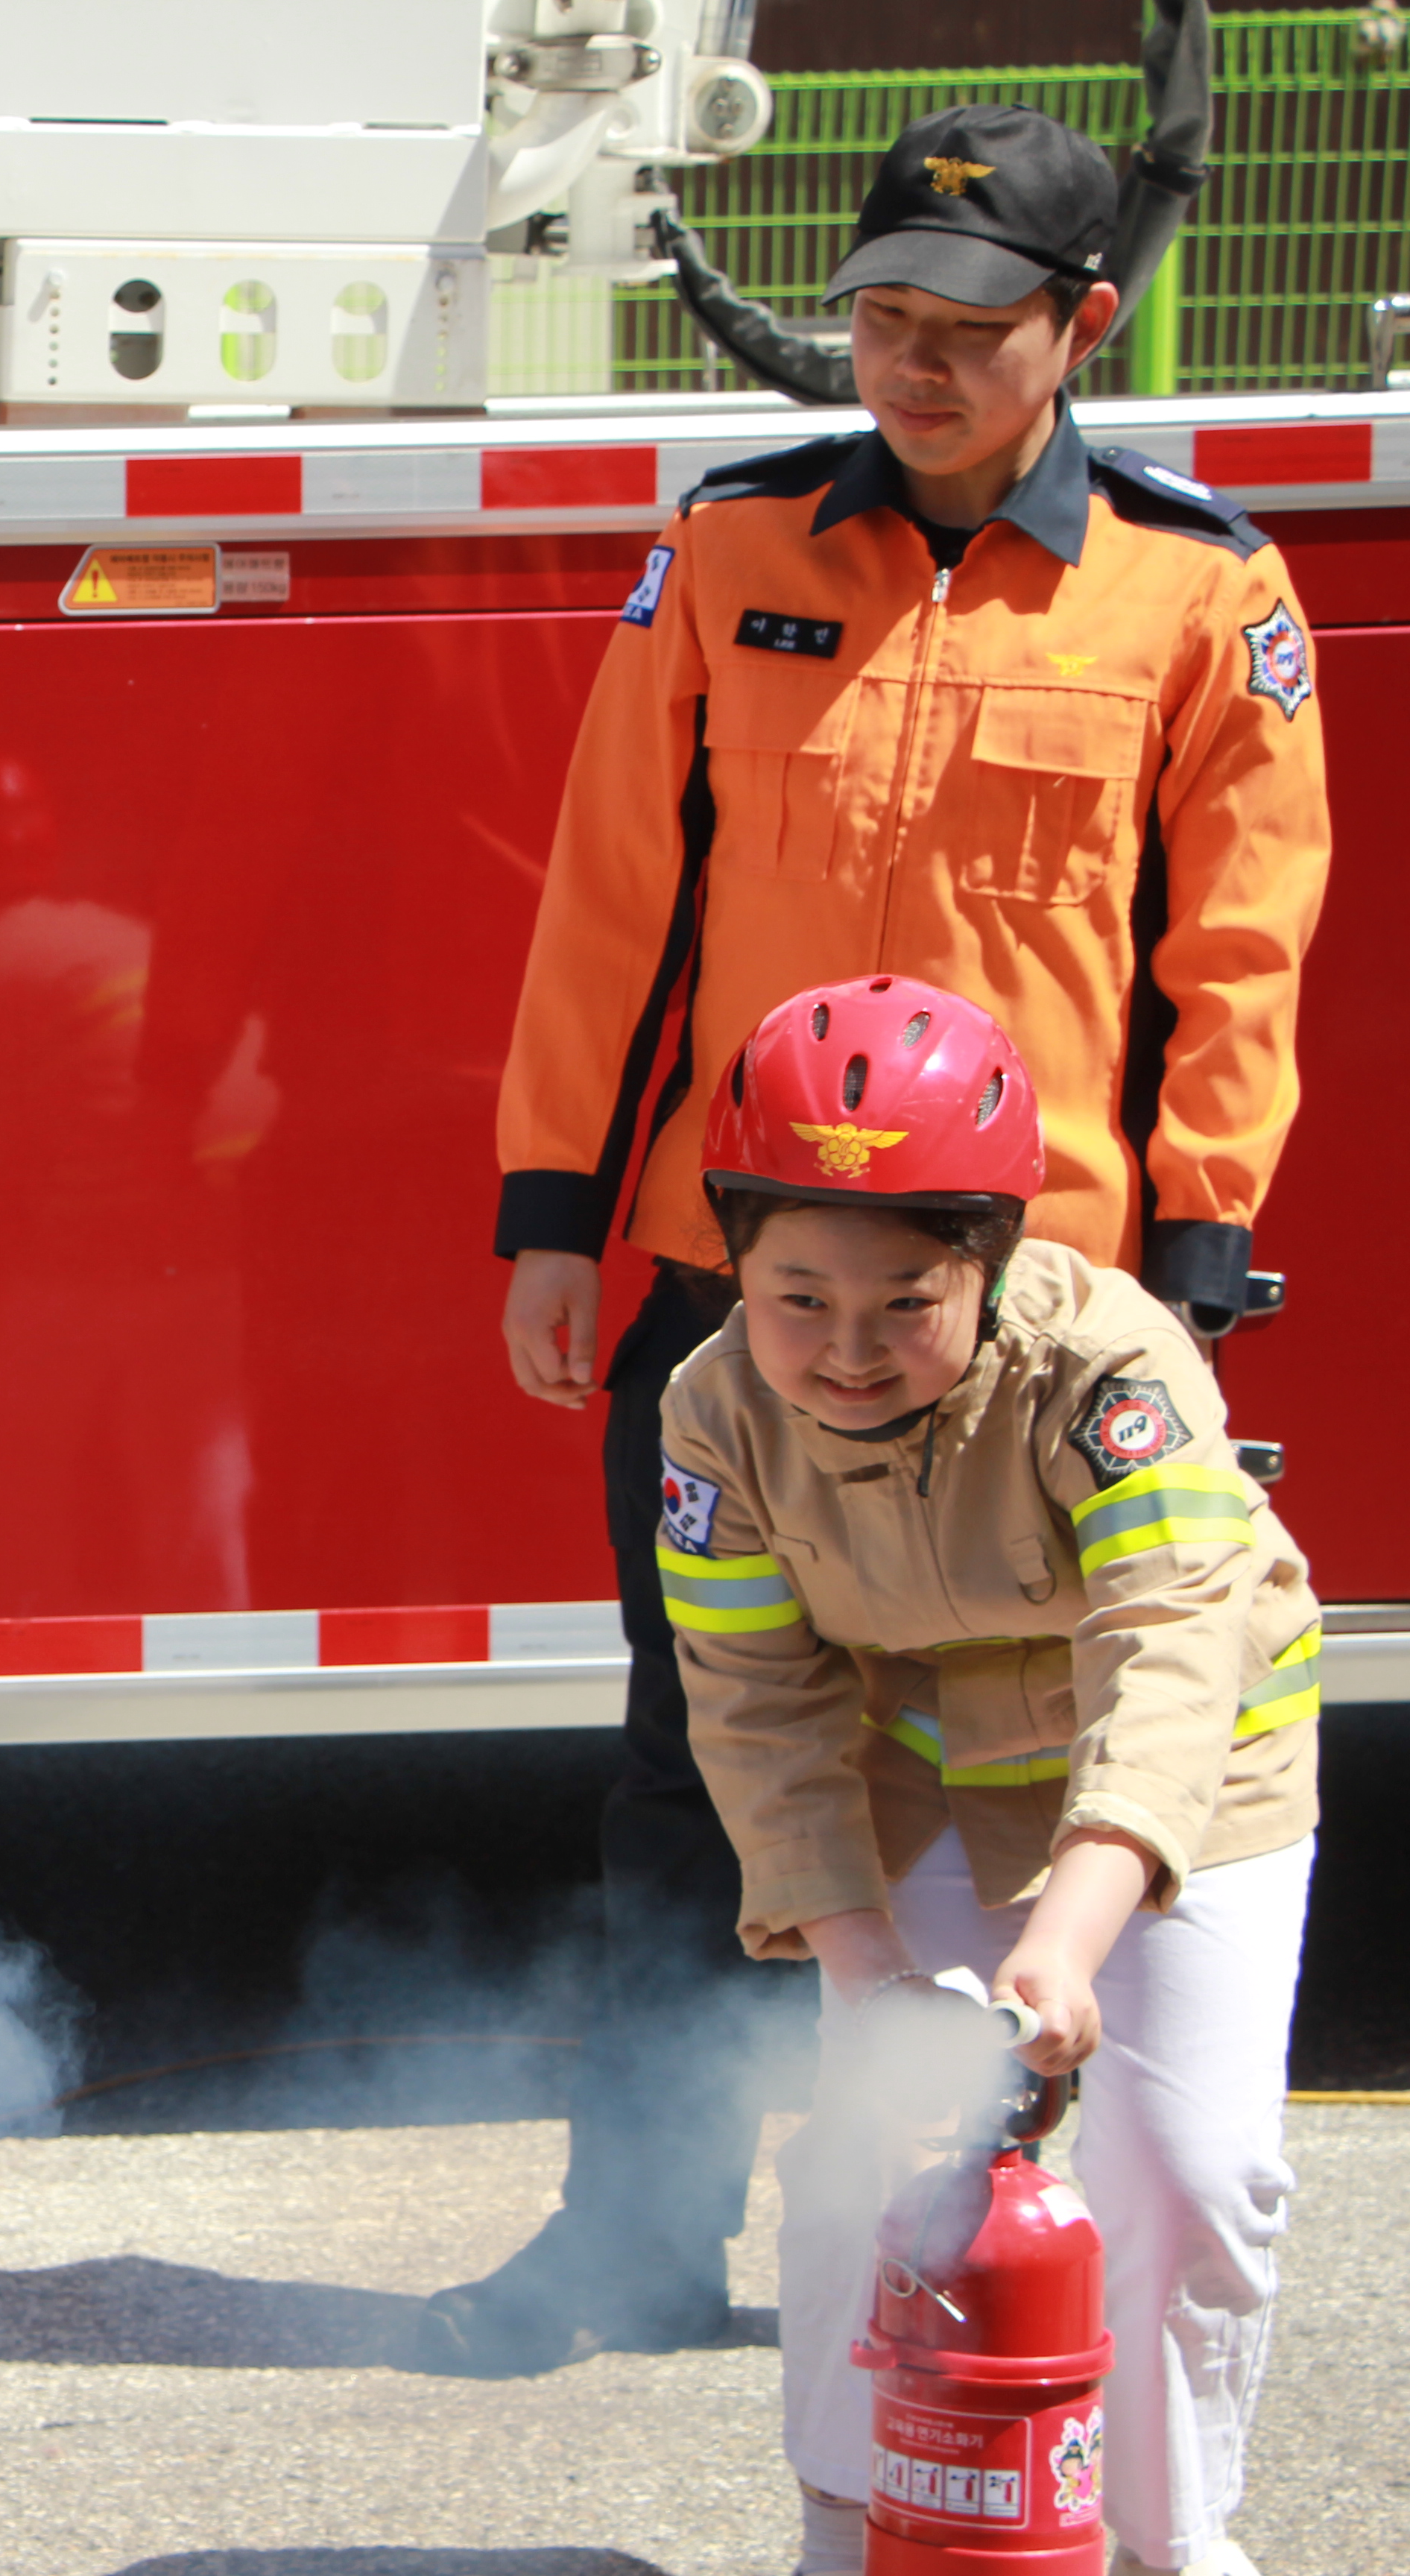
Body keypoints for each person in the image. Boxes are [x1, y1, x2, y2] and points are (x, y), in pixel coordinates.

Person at [443, 98, 1331, 2375]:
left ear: (1085, 328)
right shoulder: (732, 549)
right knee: (698, 1758)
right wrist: (559, 1217)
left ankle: (1018, 2239)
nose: (914, 366)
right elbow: (616, 907)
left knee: (1031, 1774)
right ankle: (634, 2237)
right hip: (736, 1290)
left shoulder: (1198, 593)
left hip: (1036, 1317)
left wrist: (1196, 1268)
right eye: (881, 320)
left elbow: (1235, 969)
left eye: (969, 329)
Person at [659, 976, 1311, 2576]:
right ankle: (849, 2527)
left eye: (908, 1302)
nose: (847, 1350)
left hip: (1186, 1775)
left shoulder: (1114, 1368)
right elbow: (758, 1708)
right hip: (933, 1780)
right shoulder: (711, 1412)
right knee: (864, 2164)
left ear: (994, 1261)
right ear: (732, 1261)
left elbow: (1167, 1655)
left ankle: (1168, 2542)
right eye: (797, 1296)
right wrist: (869, 1973)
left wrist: (1070, 1943)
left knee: (1190, 2175)